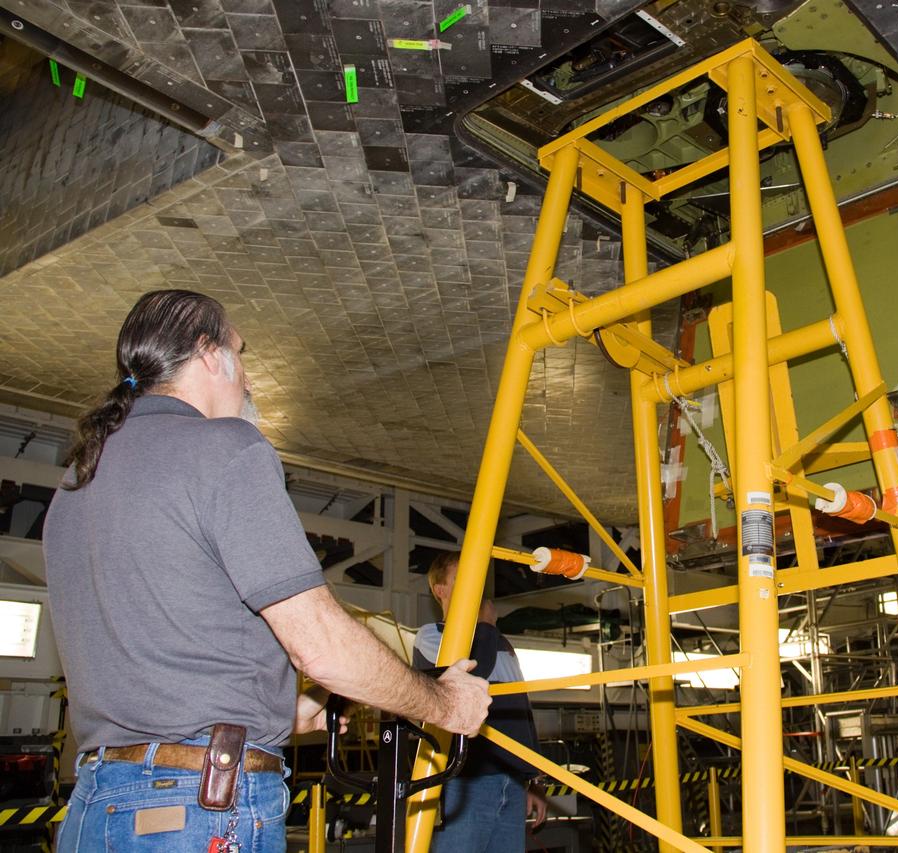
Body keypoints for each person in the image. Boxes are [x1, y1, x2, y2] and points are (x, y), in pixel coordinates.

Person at [43, 290, 492, 853]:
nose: (250, 379)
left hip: (96, 804)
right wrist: (445, 704)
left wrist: (269, 706)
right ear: (209, 354)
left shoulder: (77, 479)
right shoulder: (226, 447)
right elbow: (320, 647)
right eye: (241, 352)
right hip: (199, 808)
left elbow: (157, 641)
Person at [414, 551, 549, 851]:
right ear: (441, 590)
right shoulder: (430, 636)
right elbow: (471, 672)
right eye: (463, 579)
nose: (474, 586)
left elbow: (522, 711)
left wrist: (534, 778)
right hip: (464, 782)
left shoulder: (501, 643)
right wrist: (486, 625)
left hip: (512, 782)